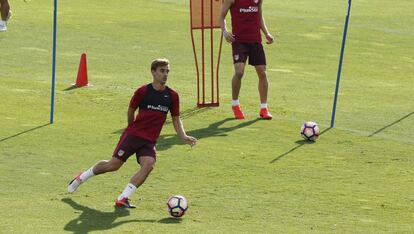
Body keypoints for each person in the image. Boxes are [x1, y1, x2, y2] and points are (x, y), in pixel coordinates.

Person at [67, 58, 197, 208]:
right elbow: (131, 111)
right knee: (113, 166)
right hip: (133, 136)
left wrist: (183, 136)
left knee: (149, 164)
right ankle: (81, 177)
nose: (165, 74)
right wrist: (131, 129)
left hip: (149, 141)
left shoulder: (172, 96)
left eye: (167, 71)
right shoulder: (143, 91)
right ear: (153, 72)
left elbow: (176, 119)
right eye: (162, 71)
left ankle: (123, 198)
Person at [219, 0, 275, 120]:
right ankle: (235, 105)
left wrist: (267, 33)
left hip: (255, 40)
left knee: (262, 73)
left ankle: (264, 108)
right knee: (239, 72)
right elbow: (222, 16)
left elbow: (259, 16)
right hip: (238, 41)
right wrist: (224, 32)